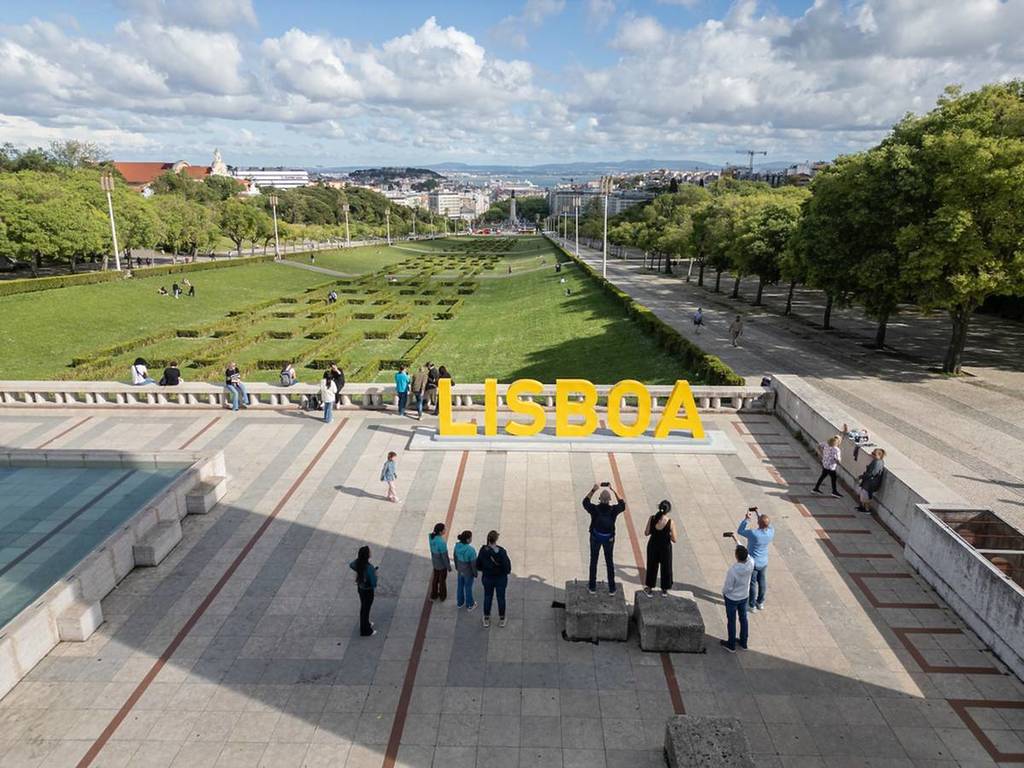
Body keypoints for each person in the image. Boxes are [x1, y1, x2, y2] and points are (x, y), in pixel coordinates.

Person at [582, 482, 626, 595]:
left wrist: (593, 490)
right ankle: (612, 589)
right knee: (609, 562)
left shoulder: (594, 509)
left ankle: (592, 587)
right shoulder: (614, 510)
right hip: (609, 539)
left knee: (593, 561)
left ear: (600, 499)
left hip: (595, 537)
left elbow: (585, 502)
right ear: (609, 500)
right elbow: (623, 504)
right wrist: (614, 490)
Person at [737, 508, 774, 611]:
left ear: (758, 523)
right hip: (764, 562)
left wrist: (746, 520)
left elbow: (740, 531)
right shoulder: (771, 531)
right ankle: (760, 602)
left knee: (752, 584)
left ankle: (752, 605)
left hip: (753, 562)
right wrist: (758, 513)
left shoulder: (754, 533)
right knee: (762, 582)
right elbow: (764, 522)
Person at [721, 545, 754, 653]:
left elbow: (728, 587)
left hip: (732, 598)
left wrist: (724, 592)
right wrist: (736, 540)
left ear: (736, 556)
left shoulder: (733, 570)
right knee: (743, 618)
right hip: (744, 596)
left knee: (731, 620)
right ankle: (744, 642)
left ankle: (731, 644)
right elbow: (747, 555)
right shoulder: (751, 563)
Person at [476, 530, 511, 628]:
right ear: (496, 540)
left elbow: (478, 565)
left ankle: (486, 619)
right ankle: (502, 619)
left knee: (487, 597)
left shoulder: (483, 551)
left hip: (488, 578)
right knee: (501, 598)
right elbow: (507, 567)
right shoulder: (502, 552)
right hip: (500, 579)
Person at [643, 500, 677, 597]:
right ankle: (664, 590)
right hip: (665, 548)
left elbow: (646, 533)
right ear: (668, 510)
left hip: (653, 546)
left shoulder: (652, 518)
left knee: (652, 566)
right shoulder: (670, 522)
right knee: (666, 567)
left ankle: (649, 588)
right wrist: (668, 534)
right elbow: (674, 539)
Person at [349, 545, 378, 637]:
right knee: (365, 609)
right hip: (368, 591)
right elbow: (373, 583)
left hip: (361, 588)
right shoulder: (369, 568)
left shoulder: (358, 563)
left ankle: (366, 623)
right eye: (369, 552)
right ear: (367, 555)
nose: (371, 553)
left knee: (364, 607)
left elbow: (351, 565)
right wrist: (375, 574)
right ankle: (366, 630)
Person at [856, 448, 887, 514]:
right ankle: (862, 507)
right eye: (872, 453)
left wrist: (861, 476)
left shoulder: (878, 463)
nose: (872, 455)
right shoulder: (876, 461)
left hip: (871, 482)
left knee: (866, 495)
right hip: (869, 481)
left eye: (874, 454)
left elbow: (872, 473)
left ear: (879, 455)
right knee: (863, 493)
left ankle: (867, 509)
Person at [454, 530, 477, 611]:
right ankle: (470, 604)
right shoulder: (471, 550)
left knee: (460, 586)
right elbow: (473, 564)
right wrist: (475, 573)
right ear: (467, 540)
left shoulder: (457, 546)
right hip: (468, 572)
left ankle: (460, 603)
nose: (471, 539)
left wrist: (457, 567)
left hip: (460, 570)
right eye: (471, 538)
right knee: (468, 588)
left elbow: (455, 557)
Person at [429, 523, 451, 602]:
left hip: (435, 562)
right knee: (442, 581)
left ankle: (434, 594)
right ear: (440, 532)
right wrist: (448, 566)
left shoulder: (431, 537)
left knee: (435, 579)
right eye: (444, 529)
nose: (445, 530)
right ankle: (442, 596)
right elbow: (444, 557)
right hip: (441, 565)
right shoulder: (442, 542)